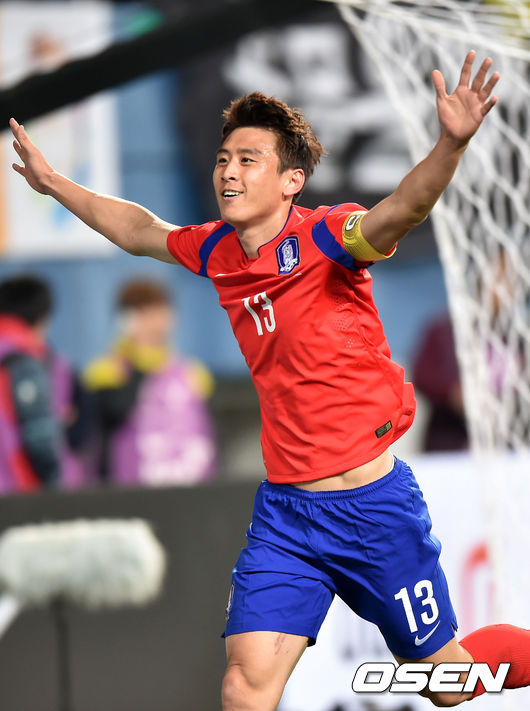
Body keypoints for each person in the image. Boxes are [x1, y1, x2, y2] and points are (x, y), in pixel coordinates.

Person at [9, 51, 530, 708]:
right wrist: (55, 183)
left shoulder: (329, 238)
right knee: (244, 688)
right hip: (288, 517)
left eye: (248, 159)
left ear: (291, 181)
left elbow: (404, 207)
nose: (228, 170)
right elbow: (140, 229)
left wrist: (450, 144)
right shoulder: (217, 251)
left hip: (374, 509)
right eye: (223, 158)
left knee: (445, 682)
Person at [83, 277, 217, 486]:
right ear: (126, 320)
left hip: (187, 484)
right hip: (129, 487)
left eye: (160, 312)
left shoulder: (194, 373)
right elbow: (114, 413)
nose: (156, 322)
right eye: (144, 314)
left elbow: (208, 434)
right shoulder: (104, 371)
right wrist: (137, 361)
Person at [0, 274, 91, 492]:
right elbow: (39, 435)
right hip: (20, 492)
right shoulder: (23, 360)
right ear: (42, 318)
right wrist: (55, 492)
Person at [412, 312, 468, 452]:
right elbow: (422, 375)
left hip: (503, 444)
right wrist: (452, 394)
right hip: (447, 437)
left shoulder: (513, 334)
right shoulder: (442, 331)